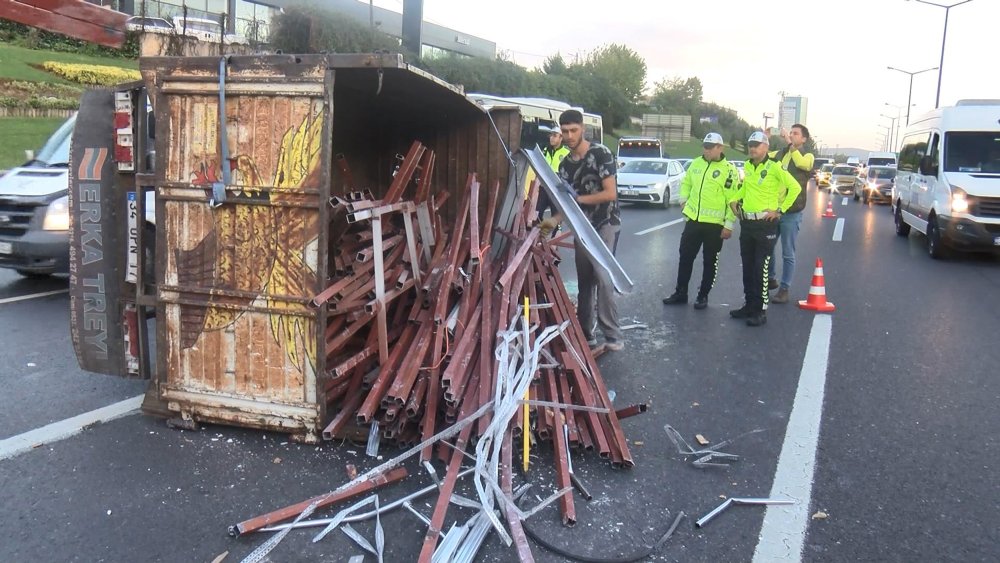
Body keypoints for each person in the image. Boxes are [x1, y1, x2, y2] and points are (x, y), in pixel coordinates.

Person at [538, 110, 623, 350]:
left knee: (604, 277)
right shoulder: (565, 165)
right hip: (581, 226)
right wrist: (554, 220)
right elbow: (566, 204)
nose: (568, 135)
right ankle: (587, 334)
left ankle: (613, 335)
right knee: (585, 281)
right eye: (564, 131)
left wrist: (579, 199)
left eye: (573, 130)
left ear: (582, 129)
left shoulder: (600, 154)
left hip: (606, 222)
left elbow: (610, 193)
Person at [730, 131, 802, 327]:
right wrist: (734, 199)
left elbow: (795, 187)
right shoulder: (747, 165)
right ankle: (749, 305)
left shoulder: (773, 167)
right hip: (747, 223)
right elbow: (746, 188)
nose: (752, 148)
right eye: (750, 144)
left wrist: (780, 210)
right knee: (747, 267)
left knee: (760, 268)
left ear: (766, 147)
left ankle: (760, 310)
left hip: (765, 225)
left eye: (757, 144)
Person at [662, 132, 737, 309]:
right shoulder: (696, 163)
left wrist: (729, 224)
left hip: (715, 225)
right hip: (694, 221)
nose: (706, 150)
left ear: (720, 148)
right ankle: (681, 292)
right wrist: (683, 199)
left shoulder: (729, 170)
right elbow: (686, 183)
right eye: (705, 146)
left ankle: (703, 295)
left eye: (710, 148)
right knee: (685, 257)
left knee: (710, 261)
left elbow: (733, 200)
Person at [767, 123, 814, 304]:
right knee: (768, 247)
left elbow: (802, 164)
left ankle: (784, 289)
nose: (792, 136)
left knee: (788, 252)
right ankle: (771, 278)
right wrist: (765, 138)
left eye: (796, 134)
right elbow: (762, 157)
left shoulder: (807, 157)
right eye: (791, 133)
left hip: (791, 212)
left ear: (804, 139)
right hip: (774, 210)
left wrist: (790, 145)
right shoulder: (780, 154)